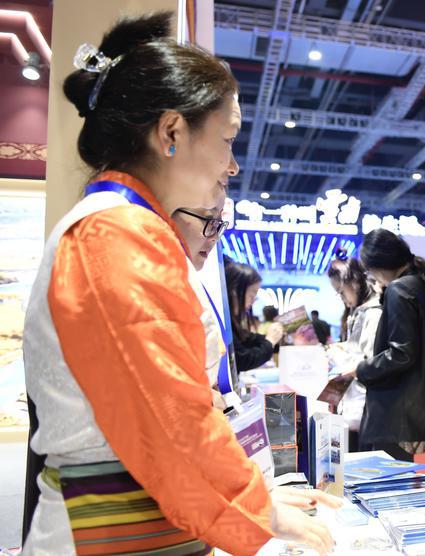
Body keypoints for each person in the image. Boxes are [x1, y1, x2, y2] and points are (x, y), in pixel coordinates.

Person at [21, 13, 336, 554]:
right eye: (228, 140)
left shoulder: (123, 226)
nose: (232, 166)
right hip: (114, 530)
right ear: (171, 132)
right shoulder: (115, 232)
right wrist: (259, 509)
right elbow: (171, 415)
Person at [354, 229, 425, 461]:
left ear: (378, 266)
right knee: (398, 471)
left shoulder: (400, 288)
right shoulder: (419, 283)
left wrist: (361, 369)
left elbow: (402, 353)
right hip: (410, 405)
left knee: (388, 474)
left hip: (396, 407)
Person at [171, 197, 230, 408]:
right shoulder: (155, 275)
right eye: (208, 220)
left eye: (219, 225)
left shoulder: (187, 277)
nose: (215, 237)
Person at [327, 257, 383, 449]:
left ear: (354, 283)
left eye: (341, 292)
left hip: (366, 402)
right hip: (358, 400)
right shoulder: (360, 311)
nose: (342, 298)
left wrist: (338, 355)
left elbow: (369, 359)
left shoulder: (373, 312)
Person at [225, 259, 284, 372]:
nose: (253, 301)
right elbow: (242, 359)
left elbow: (248, 339)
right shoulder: (223, 323)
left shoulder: (231, 322)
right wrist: (270, 341)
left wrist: (274, 338)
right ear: (234, 291)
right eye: (251, 295)